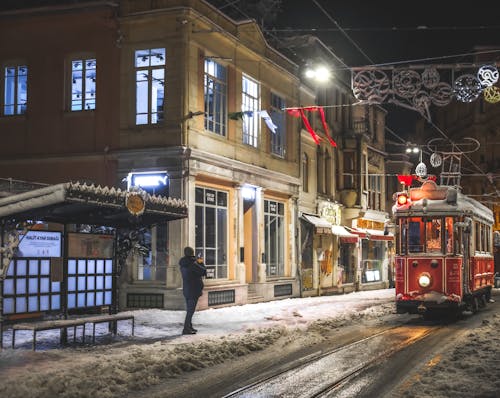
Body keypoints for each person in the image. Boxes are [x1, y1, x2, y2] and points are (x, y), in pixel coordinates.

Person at [179, 246, 207, 335]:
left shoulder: (183, 263)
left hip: (187, 289)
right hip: (193, 289)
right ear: (191, 253)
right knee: (190, 311)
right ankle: (186, 329)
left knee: (189, 309)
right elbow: (203, 272)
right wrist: (201, 262)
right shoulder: (192, 264)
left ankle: (189, 327)